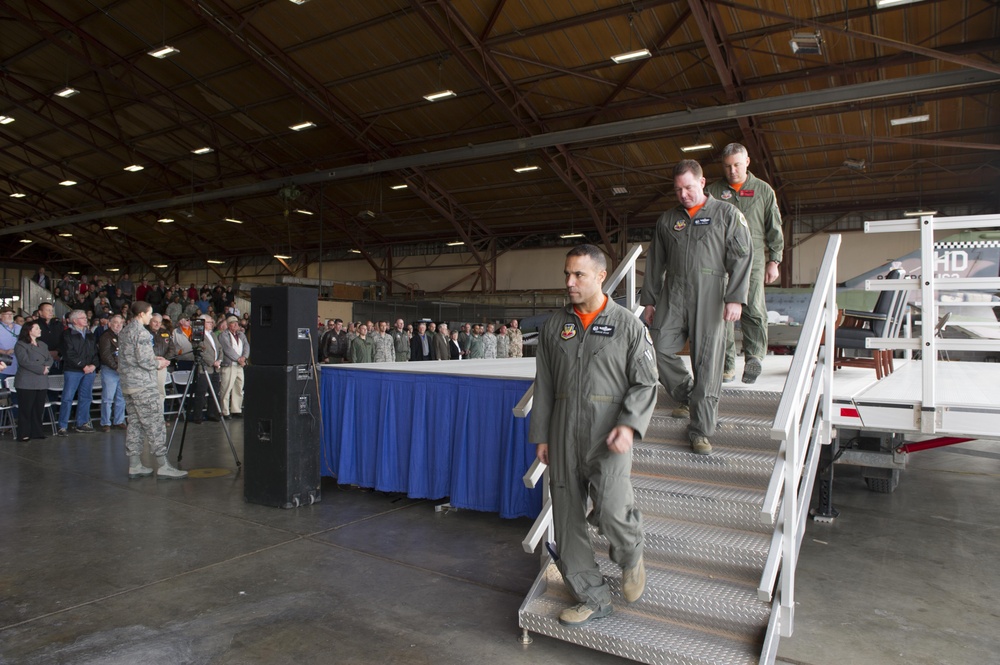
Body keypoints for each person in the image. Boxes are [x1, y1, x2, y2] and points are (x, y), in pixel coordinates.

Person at [530, 244, 658, 627]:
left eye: (578, 275)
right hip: (563, 432)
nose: (569, 282)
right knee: (568, 524)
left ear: (601, 276)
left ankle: (631, 554)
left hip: (609, 435)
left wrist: (629, 424)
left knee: (612, 510)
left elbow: (646, 382)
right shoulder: (555, 326)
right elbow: (545, 384)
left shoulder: (628, 326)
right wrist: (542, 435)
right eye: (567, 274)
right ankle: (593, 597)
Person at [641, 159, 753, 455]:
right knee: (658, 345)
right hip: (674, 292)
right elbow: (655, 263)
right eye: (678, 189)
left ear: (702, 183)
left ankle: (701, 430)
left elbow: (742, 256)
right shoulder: (667, 220)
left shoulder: (726, 213)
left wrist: (735, 297)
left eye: (688, 187)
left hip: (712, 292)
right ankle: (686, 394)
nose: (683, 195)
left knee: (708, 362)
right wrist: (649, 301)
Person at [705, 143, 784, 384]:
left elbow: (774, 228)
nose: (732, 171)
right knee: (722, 313)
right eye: (727, 166)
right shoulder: (713, 191)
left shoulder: (763, 190)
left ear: (747, 162)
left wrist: (775, 261)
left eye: (737, 165)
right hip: (720, 259)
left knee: (754, 309)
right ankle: (727, 365)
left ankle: (754, 358)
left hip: (754, 258)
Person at [118, 301, 186, 479]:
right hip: (143, 385)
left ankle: (134, 464)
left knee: (135, 424)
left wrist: (151, 357)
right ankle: (163, 465)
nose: (151, 317)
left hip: (128, 383)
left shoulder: (125, 330)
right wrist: (159, 362)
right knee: (155, 423)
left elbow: (131, 356)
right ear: (141, 314)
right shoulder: (141, 332)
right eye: (149, 314)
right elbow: (145, 361)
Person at [57, 309, 100, 436]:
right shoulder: (67, 334)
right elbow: (69, 353)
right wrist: (83, 366)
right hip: (73, 370)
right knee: (68, 397)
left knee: (86, 397)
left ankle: (82, 423)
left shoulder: (89, 334)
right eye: (82, 318)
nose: (86, 319)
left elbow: (94, 352)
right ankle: (62, 426)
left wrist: (93, 365)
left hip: (89, 370)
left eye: (86, 317)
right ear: (75, 320)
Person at [14, 322, 53, 441]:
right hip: (26, 381)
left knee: (38, 408)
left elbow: (49, 358)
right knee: (26, 409)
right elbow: (24, 362)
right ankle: (24, 433)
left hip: (41, 381)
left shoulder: (42, 344)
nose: (40, 330)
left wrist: (47, 367)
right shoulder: (21, 345)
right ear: (29, 330)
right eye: (37, 328)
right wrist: (42, 368)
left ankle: (37, 432)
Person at [97, 315, 127, 432]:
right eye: (116, 323)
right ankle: (105, 422)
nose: (119, 325)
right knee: (108, 398)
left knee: (121, 397)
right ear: (109, 324)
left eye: (121, 323)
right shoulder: (105, 336)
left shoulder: (124, 336)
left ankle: (119, 420)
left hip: (123, 370)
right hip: (110, 370)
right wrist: (116, 367)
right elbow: (105, 355)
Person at [191, 314, 222, 423]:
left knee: (215, 391)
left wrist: (219, 360)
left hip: (215, 368)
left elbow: (219, 348)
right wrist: (212, 362)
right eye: (209, 322)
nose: (212, 324)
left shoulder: (213, 334)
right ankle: (197, 416)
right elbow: (200, 350)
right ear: (203, 323)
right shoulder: (198, 334)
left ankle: (212, 413)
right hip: (204, 368)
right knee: (201, 392)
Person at [218, 315, 249, 418]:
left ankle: (236, 409)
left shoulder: (241, 334)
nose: (236, 325)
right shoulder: (224, 335)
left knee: (239, 387)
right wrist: (238, 359)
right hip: (229, 365)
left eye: (237, 323)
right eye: (233, 323)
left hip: (240, 366)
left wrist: (244, 357)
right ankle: (225, 411)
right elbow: (227, 349)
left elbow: (246, 346)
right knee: (226, 388)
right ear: (228, 325)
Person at [36, 302, 64, 369]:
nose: (51, 312)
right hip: (38, 360)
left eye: (52, 310)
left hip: (56, 358)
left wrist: (58, 352)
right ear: (40, 312)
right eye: (48, 310)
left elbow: (64, 340)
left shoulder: (58, 324)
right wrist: (46, 353)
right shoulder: (33, 325)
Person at [0, 307, 21, 382]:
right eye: (7, 314)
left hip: (19, 365)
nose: (10, 316)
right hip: (4, 365)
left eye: (11, 314)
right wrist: (4, 352)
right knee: (5, 391)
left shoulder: (19, 328)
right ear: (0, 316)